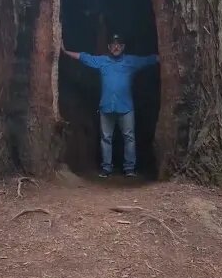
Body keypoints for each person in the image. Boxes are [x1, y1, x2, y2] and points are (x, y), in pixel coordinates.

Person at [61, 34, 159, 177]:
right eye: (113, 44)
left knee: (129, 138)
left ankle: (129, 169)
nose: (116, 47)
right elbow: (85, 57)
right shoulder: (103, 61)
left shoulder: (130, 61)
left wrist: (161, 57)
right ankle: (106, 168)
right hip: (106, 107)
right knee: (106, 138)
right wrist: (65, 51)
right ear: (109, 47)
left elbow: (147, 60)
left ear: (123, 47)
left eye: (119, 44)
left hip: (126, 108)